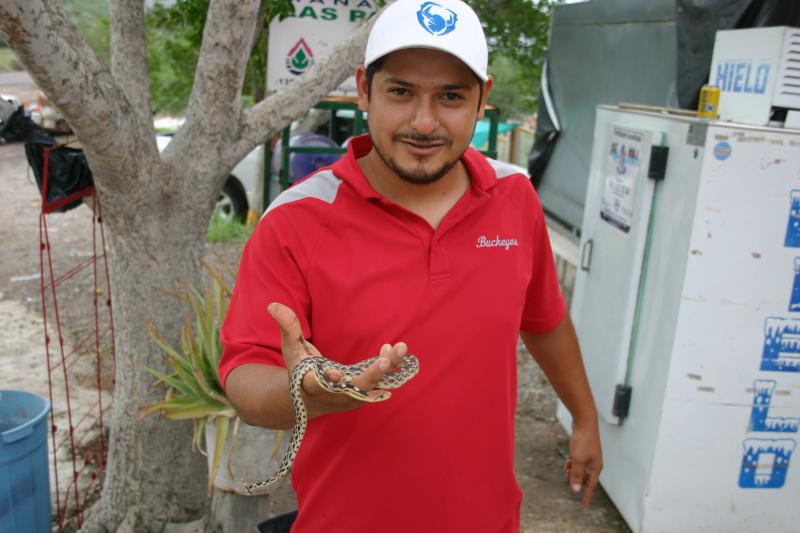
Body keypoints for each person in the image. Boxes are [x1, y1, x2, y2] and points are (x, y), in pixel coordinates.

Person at [219, 0, 602, 531]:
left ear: (483, 98)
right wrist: (307, 392)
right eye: (401, 92)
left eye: (451, 96)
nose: (424, 123)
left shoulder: (514, 196)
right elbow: (244, 379)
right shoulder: (297, 220)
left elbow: (544, 318)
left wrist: (585, 417)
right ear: (363, 89)